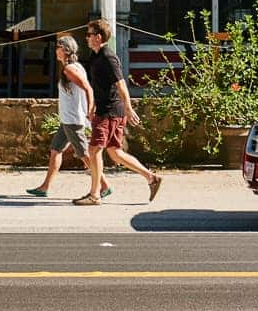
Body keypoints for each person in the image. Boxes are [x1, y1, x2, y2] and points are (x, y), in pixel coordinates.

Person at [78, 19, 163, 206]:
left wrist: (128, 107)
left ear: (98, 37)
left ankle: (95, 195)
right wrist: (92, 106)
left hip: (110, 111)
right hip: (104, 110)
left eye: (89, 34)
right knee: (115, 153)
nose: (86, 38)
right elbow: (98, 85)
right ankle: (151, 178)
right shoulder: (95, 56)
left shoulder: (109, 57)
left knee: (94, 150)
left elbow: (121, 83)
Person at [26, 34, 106, 199]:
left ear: (65, 50)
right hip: (67, 120)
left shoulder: (70, 69)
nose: (56, 50)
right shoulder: (76, 66)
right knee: (55, 150)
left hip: (72, 121)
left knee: (84, 155)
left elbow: (88, 88)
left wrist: (90, 109)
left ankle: (104, 186)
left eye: (58, 47)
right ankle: (44, 187)